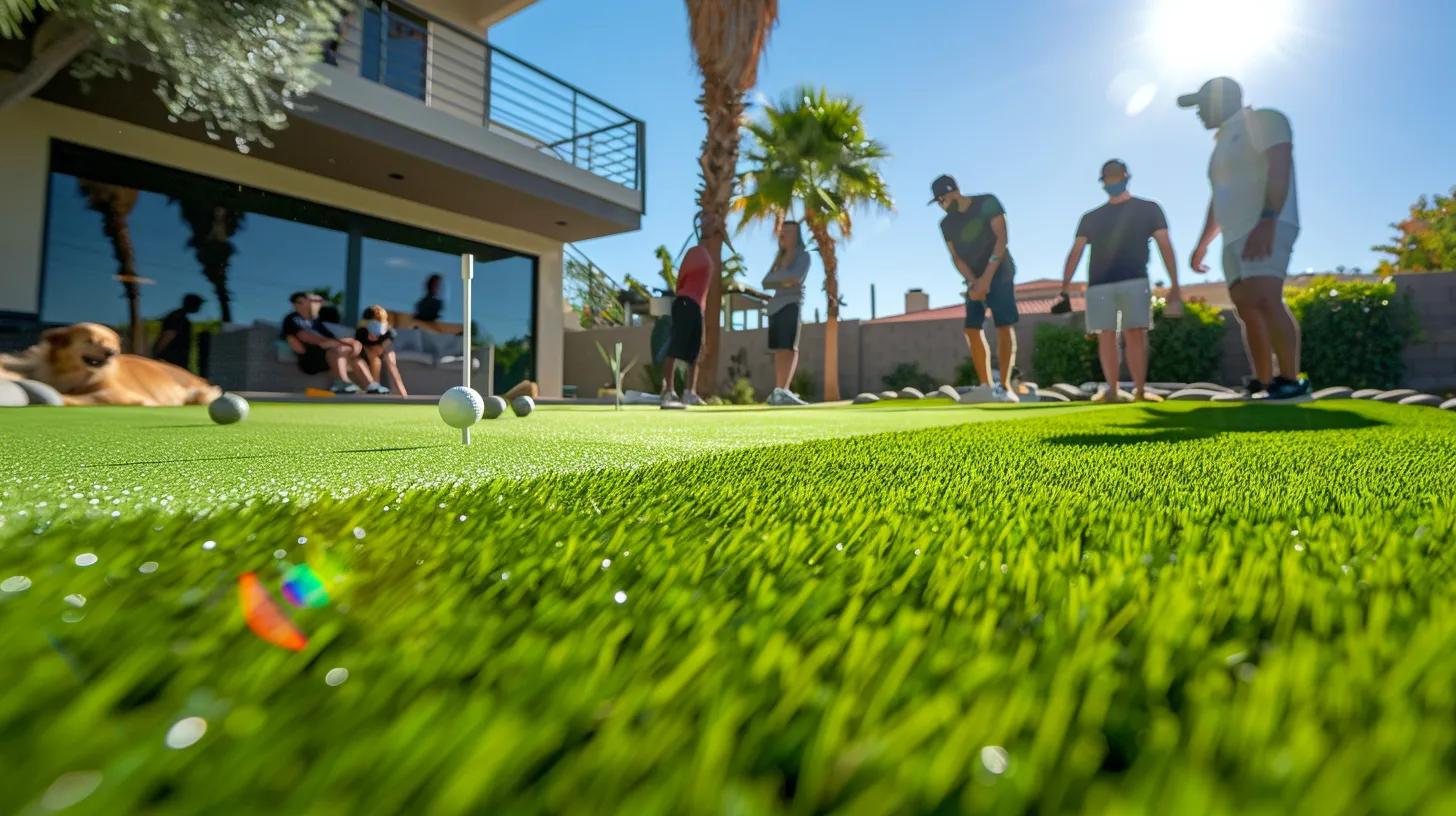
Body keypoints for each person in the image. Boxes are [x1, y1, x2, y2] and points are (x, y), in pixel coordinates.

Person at [1180, 77, 1309, 400]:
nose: (1198, 114)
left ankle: (1290, 381)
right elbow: (1219, 198)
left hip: (1267, 223)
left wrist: (1267, 219)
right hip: (1234, 235)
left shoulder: (1265, 119)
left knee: (1266, 297)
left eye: (1201, 105)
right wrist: (1203, 243)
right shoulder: (1220, 145)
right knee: (1246, 307)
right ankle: (1262, 381)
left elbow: (1279, 166)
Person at [1059, 159, 1183, 403]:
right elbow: (1076, 252)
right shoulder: (1090, 218)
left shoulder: (1149, 209)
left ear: (1126, 177)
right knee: (1106, 334)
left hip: (1135, 280)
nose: (1113, 182)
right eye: (1108, 179)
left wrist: (1175, 284)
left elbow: (1165, 245)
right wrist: (1064, 287)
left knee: (1135, 332)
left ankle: (1139, 390)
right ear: (1102, 182)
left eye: (1116, 177)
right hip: (1099, 285)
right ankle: (1112, 391)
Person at [932, 174, 1019, 402]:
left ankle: (1005, 386)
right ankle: (986, 386)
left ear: (952, 192)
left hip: (999, 270)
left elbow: (1002, 240)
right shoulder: (946, 224)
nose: (941, 206)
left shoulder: (988, 202)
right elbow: (956, 257)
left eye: (942, 200)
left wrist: (986, 280)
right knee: (971, 328)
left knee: (1003, 324)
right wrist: (973, 282)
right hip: (974, 278)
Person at [280, 291, 373, 394]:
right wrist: (327, 343)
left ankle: (371, 385)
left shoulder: (316, 322)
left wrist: (349, 344)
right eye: (302, 302)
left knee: (353, 355)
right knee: (338, 348)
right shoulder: (292, 319)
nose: (309, 304)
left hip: (327, 354)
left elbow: (332, 338)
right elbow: (304, 336)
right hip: (310, 358)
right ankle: (342, 383)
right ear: (295, 304)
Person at [762, 220, 811, 406]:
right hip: (776, 307)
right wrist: (784, 279)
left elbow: (796, 278)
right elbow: (766, 282)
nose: (784, 235)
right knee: (780, 349)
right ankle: (778, 390)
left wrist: (781, 279)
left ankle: (785, 389)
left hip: (792, 303)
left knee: (790, 347)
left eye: (789, 232)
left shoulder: (804, 256)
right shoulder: (778, 259)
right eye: (783, 232)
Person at [659, 246, 711, 409]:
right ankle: (669, 391)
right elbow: (681, 277)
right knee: (676, 347)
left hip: (697, 307)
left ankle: (690, 392)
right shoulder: (695, 251)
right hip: (684, 302)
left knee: (695, 351)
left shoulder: (708, 256)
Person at [354, 305, 407, 396]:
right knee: (374, 357)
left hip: (383, 350)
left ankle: (403, 393)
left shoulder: (388, 332)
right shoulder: (361, 332)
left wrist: (381, 348)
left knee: (391, 363)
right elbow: (362, 346)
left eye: (379, 321)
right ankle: (375, 388)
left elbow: (386, 348)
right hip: (369, 354)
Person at [152, 293, 204, 371]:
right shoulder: (178, 317)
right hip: (171, 364)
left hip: (175, 365)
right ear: (192, 304)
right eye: (198, 304)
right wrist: (155, 356)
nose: (200, 307)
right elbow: (168, 335)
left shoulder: (180, 317)